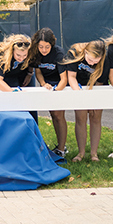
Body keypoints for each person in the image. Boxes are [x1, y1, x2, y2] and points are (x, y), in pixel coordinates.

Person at [61, 40, 108, 162]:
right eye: (90, 60)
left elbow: (100, 81)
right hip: (78, 87)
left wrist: (91, 100)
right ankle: (81, 153)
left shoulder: (105, 60)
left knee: (95, 117)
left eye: (95, 62)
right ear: (85, 52)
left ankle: (94, 154)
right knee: (80, 117)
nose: (92, 63)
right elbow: (71, 77)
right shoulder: (74, 53)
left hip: (96, 87)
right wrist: (80, 96)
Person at [28, 28, 68, 157]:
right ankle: (60, 146)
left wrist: (56, 92)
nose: (44, 50)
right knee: (53, 115)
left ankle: (62, 149)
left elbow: (64, 78)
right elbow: (38, 71)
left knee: (58, 115)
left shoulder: (58, 53)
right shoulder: (36, 53)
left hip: (60, 85)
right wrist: (44, 84)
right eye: (41, 47)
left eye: (47, 47)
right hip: (47, 85)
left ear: (52, 44)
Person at [0, 34, 38, 122]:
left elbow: (32, 61)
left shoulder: (31, 51)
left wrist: (30, 73)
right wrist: (13, 92)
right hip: (8, 77)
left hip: (24, 74)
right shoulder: (2, 55)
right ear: (12, 50)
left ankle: (33, 128)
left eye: (24, 55)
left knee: (30, 103)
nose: (21, 58)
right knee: (13, 105)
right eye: (18, 55)